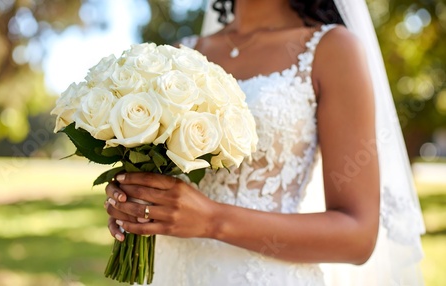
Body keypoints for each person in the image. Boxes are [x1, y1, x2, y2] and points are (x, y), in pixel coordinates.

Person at [104, 0, 425, 285]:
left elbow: (357, 235)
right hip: (170, 273)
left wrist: (212, 220)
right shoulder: (178, 56)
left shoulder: (331, 48)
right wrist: (134, 199)